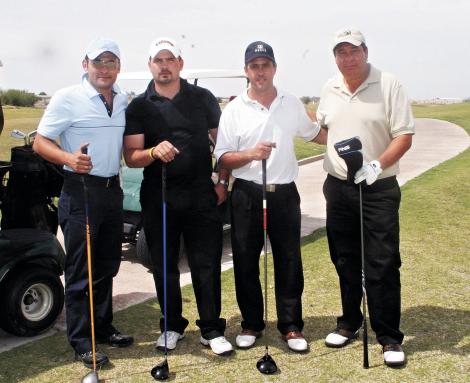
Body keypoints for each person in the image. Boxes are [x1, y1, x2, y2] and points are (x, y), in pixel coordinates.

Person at [123, 37, 233, 355]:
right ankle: (171, 326)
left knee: (206, 263)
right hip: (159, 195)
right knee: (164, 265)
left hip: (201, 194)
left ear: (180, 63)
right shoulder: (139, 105)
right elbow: (131, 156)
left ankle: (211, 328)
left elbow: (221, 144)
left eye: (170, 59)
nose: (165, 65)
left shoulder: (202, 98)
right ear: (150, 66)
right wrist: (153, 151)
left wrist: (222, 181)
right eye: (158, 60)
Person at [214, 41, 326, 352]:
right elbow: (223, 157)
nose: (260, 71)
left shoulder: (290, 103)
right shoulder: (234, 109)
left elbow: (315, 133)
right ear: (246, 71)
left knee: (289, 260)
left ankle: (291, 326)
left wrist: (347, 137)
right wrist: (250, 154)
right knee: (246, 261)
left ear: (274, 68)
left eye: (265, 65)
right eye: (254, 66)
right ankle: (251, 323)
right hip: (247, 194)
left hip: (285, 194)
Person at [33, 38, 133, 368]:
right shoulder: (67, 98)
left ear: (118, 67)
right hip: (80, 190)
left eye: (111, 63)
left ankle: (102, 327)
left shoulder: (122, 100)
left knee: (107, 265)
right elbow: (40, 142)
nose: (105, 69)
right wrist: (68, 159)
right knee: (80, 270)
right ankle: (80, 340)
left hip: (111, 190)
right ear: (85, 64)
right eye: (99, 62)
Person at [316, 28, 414, 367]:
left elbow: (404, 135)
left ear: (365, 52)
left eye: (353, 51)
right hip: (339, 186)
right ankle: (350, 322)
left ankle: (388, 336)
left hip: (378, 187)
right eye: (341, 52)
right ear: (335, 57)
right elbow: (327, 132)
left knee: (382, 262)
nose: (347, 57)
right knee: (344, 257)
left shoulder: (388, 84)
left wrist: (376, 164)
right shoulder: (330, 87)